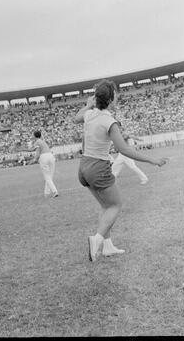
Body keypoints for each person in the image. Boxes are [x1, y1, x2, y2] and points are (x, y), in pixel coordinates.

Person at [74, 79, 166, 262]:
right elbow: (124, 149)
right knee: (115, 205)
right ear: (110, 99)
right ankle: (97, 239)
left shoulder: (90, 114)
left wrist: (88, 105)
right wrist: (152, 160)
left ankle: (108, 247)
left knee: (105, 206)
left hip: (83, 167)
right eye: (115, 93)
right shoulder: (110, 121)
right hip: (98, 167)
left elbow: (76, 117)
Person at [27, 131, 58, 197]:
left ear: (35, 136)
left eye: (32, 135)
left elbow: (37, 152)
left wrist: (34, 160)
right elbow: (32, 149)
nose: (32, 136)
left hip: (44, 157)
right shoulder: (42, 141)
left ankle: (54, 191)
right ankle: (47, 193)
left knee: (47, 176)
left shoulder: (37, 142)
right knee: (50, 176)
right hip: (51, 156)